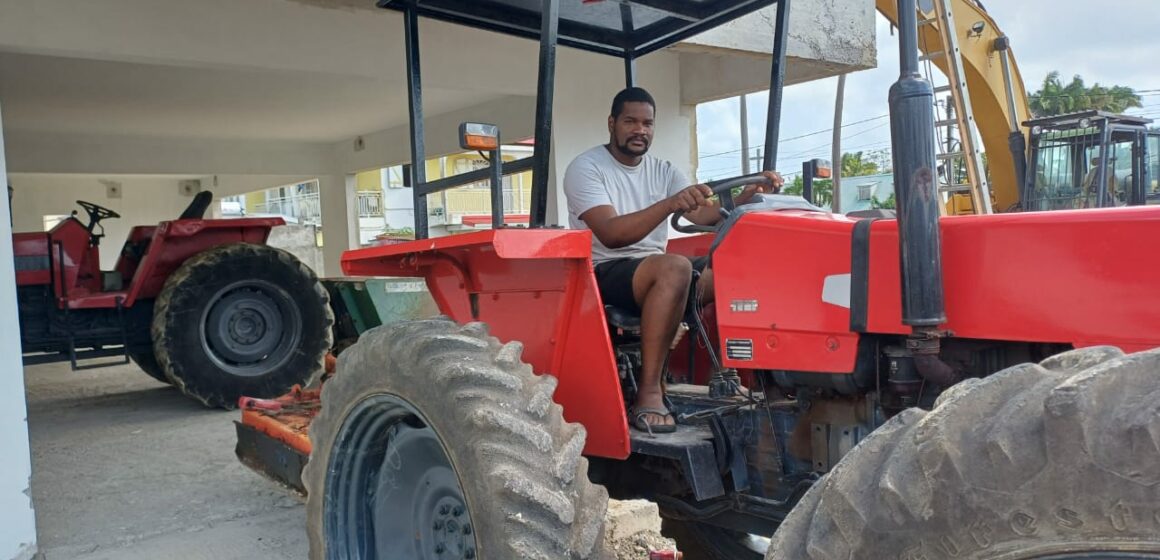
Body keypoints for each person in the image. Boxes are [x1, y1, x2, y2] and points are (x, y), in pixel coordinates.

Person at [563, 87, 783, 433]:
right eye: (630, 121)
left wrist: (744, 198)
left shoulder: (663, 170)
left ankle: (734, 375)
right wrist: (669, 204)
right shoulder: (587, 168)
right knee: (675, 266)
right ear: (612, 123)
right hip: (603, 272)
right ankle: (649, 392)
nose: (640, 130)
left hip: (654, 270)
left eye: (647, 123)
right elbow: (611, 233)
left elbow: (702, 214)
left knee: (737, 268)